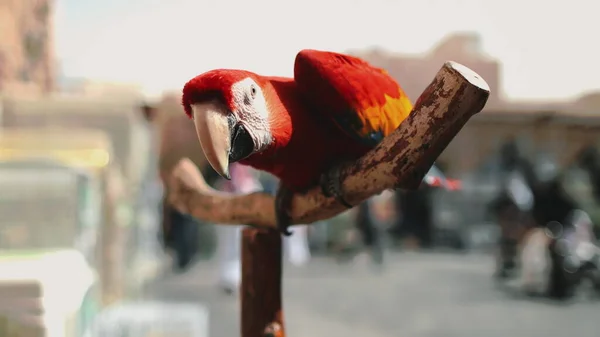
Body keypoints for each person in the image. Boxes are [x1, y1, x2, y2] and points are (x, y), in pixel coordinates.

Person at [216, 167, 311, 294]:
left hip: (245, 189)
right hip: (233, 191)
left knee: (246, 238)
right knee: (231, 240)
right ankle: (232, 274)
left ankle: (246, 274)